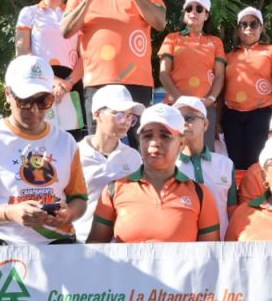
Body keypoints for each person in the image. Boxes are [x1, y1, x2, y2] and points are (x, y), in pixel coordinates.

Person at [61, 0, 166, 141]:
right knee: (100, 153)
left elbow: (159, 21)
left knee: (142, 153)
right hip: (97, 83)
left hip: (136, 82)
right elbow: (66, 30)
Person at [0, 55, 88, 244]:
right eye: (25, 101)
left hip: (58, 245)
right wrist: (10, 213)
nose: (34, 110)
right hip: (5, 247)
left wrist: (68, 214)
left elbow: (79, 199)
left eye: (43, 101)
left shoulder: (66, 141)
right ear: (7, 94)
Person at [87, 104, 220, 243]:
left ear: (181, 144)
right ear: (140, 142)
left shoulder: (201, 194)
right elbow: (95, 255)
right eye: (147, 136)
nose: (155, 143)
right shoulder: (113, 190)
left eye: (165, 136)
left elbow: (209, 257)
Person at [16, 0, 85, 138]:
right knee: (39, 137)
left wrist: (68, 83)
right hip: (39, 80)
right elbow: (23, 52)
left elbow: (84, 55)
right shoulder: (29, 13)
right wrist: (54, 81)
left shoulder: (76, 15)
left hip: (72, 83)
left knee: (72, 139)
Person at [221, 7, 272, 170]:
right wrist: (217, 120)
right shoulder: (228, 56)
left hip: (261, 114)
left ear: (262, 27)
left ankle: (255, 194)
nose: (248, 28)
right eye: (243, 24)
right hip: (231, 116)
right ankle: (236, 195)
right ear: (238, 29)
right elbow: (222, 88)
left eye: (253, 24)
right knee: (233, 162)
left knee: (257, 163)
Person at [74, 85, 143, 242]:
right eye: (119, 115)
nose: (125, 122)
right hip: (80, 244)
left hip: (123, 245)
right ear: (97, 114)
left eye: (130, 117)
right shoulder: (74, 154)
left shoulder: (134, 158)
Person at [158, 0, 226, 146]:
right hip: (175, 105)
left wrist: (210, 99)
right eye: (189, 8)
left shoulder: (215, 42)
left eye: (199, 9)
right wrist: (180, 99)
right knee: (174, 152)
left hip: (205, 107)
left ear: (206, 15)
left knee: (204, 153)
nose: (193, 12)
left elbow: (220, 76)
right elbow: (163, 74)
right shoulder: (172, 38)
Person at [173, 96, 236, 237]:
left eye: (189, 117)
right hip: (181, 251)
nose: (183, 123)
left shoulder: (225, 164)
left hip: (220, 250)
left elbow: (232, 213)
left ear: (206, 124)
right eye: (178, 118)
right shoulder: (167, 167)